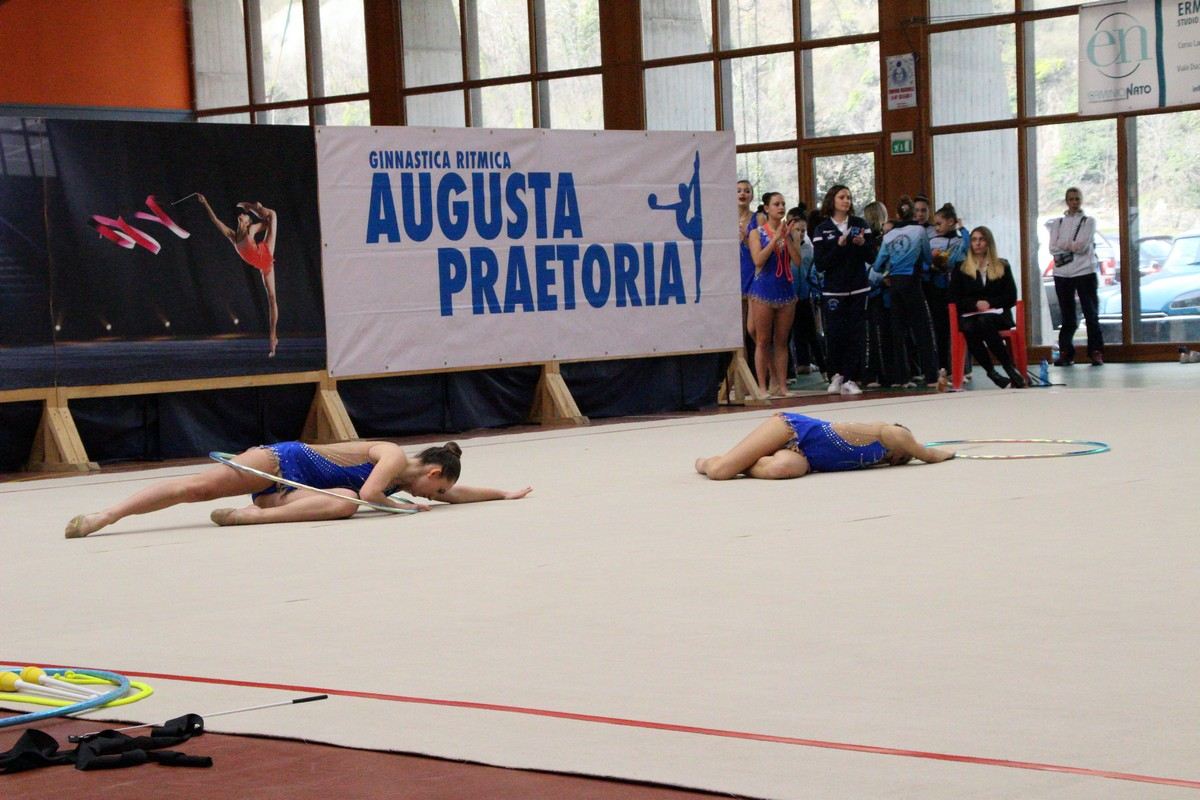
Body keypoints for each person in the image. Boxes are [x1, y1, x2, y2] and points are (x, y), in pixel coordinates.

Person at [64, 440, 532, 538]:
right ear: (430, 474)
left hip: (292, 494)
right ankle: (106, 516)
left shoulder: (415, 481)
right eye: (436, 491)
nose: (436, 498)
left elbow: (459, 493)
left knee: (344, 502)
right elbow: (372, 495)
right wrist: (405, 510)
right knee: (198, 488)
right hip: (282, 462)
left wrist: (503, 494)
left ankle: (248, 516)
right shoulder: (391, 457)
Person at [694, 413, 954, 481]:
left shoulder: (880, 457)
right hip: (793, 428)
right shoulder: (886, 434)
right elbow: (912, 443)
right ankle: (707, 461)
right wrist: (932, 454)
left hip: (805, 457)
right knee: (720, 472)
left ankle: (745, 462)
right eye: (905, 457)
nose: (902, 459)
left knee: (784, 468)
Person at [197, 194, 280, 357]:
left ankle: (273, 336)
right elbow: (215, 221)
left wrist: (258, 211)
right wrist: (205, 202)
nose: (240, 216)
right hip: (261, 266)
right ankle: (255, 207)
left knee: (273, 215)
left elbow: (266, 223)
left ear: (247, 222)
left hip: (266, 254)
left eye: (245, 215)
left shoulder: (250, 230)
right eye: (244, 214)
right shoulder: (233, 236)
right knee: (271, 298)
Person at [870, 195, 939, 388]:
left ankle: (902, 378)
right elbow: (926, 256)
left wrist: (891, 266)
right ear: (912, 213)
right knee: (922, 329)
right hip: (913, 283)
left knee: (897, 331)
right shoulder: (918, 230)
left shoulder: (889, 235)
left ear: (898, 214)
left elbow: (877, 265)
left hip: (894, 285)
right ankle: (931, 376)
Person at [812, 185, 873, 396]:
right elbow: (821, 264)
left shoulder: (860, 224)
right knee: (835, 333)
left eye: (848, 197)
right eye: (841, 197)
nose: (846, 201)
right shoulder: (822, 229)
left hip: (858, 288)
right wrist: (838, 246)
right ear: (832, 200)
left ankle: (850, 377)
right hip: (833, 290)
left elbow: (872, 257)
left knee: (856, 333)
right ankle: (836, 374)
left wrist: (862, 244)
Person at [948, 226, 1026, 389]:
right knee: (971, 326)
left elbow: (1010, 297)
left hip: (997, 315)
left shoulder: (1002, 265)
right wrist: (974, 304)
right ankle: (992, 372)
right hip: (971, 315)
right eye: (974, 240)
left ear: (988, 242)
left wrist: (990, 303)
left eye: (981, 239)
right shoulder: (960, 268)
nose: (977, 243)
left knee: (983, 322)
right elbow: (955, 297)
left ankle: (1008, 368)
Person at [746, 192, 800, 397]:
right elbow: (758, 260)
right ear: (766, 208)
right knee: (762, 340)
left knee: (781, 341)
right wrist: (775, 239)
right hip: (764, 290)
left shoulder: (791, 232)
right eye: (776, 204)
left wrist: (786, 239)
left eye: (783, 204)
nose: (781, 207)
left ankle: (782, 386)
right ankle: (762, 386)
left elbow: (797, 262)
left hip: (785, 289)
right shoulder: (756, 233)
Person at [1046, 187, 1104, 366]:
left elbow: (1083, 246)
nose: (1074, 202)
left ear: (1081, 200)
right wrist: (1071, 245)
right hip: (1062, 274)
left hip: (1085, 271)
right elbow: (1052, 248)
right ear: (1066, 201)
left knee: (1091, 313)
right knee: (1067, 315)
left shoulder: (1089, 221)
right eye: (1071, 199)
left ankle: (1095, 351)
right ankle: (1066, 352)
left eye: (1077, 199)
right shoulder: (1058, 222)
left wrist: (1065, 244)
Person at [927, 203, 969, 375]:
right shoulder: (932, 242)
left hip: (957, 290)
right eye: (935, 224)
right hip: (937, 289)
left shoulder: (960, 240)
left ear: (951, 222)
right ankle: (943, 366)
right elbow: (924, 261)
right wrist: (932, 263)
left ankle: (961, 367)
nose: (936, 228)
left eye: (939, 223)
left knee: (958, 328)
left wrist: (963, 227)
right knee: (940, 328)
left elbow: (967, 246)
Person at [785, 205, 825, 380]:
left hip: (804, 297)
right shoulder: (784, 247)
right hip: (787, 298)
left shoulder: (809, 249)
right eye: (797, 230)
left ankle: (825, 370)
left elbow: (812, 271)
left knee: (812, 335)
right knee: (785, 336)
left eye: (803, 230)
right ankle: (788, 372)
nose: (800, 233)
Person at [737, 180, 760, 377]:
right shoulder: (724, 219)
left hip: (753, 275)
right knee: (739, 336)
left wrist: (746, 238)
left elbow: (762, 248)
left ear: (752, 196)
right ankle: (743, 380)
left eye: (746, 191)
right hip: (733, 277)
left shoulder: (757, 219)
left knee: (755, 330)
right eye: (738, 191)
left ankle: (768, 377)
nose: (742, 194)